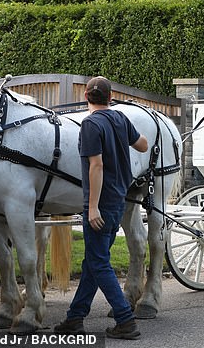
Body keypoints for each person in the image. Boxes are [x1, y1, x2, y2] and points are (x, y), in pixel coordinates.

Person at [54, 76, 148, 339]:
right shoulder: (120, 118)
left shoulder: (90, 125)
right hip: (118, 200)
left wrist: (92, 207)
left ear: (86, 97)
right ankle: (75, 317)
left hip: (100, 204)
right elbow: (143, 144)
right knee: (93, 263)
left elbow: (96, 166)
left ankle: (125, 319)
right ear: (110, 98)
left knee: (99, 262)